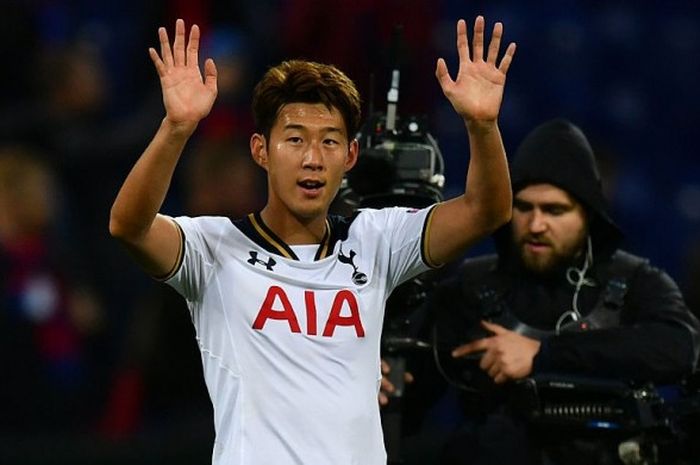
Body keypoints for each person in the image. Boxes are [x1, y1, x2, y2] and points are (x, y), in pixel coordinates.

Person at [109, 16, 516, 465]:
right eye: (295, 139)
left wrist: (482, 125)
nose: (312, 159)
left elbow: (487, 211)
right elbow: (129, 226)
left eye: (329, 142)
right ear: (260, 150)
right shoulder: (214, 249)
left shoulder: (377, 239)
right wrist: (176, 128)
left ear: (351, 155)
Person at [417, 118, 700, 465]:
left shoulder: (634, 280)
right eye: (524, 208)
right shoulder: (473, 287)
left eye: (555, 210)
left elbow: (679, 347)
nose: (536, 225)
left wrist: (543, 355)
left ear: (588, 215)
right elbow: (412, 393)